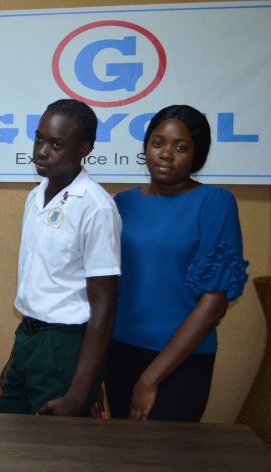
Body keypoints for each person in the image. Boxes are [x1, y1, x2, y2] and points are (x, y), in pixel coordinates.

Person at [105, 104, 248, 421]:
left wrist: (150, 378)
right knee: (118, 455)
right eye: (158, 143)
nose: (166, 154)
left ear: (198, 154)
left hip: (182, 362)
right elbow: (107, 287)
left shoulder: (215, 203)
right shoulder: (123, 203)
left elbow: (214, 304)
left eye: (180, 147)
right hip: (119, 351)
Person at [0, 99, 121, 416]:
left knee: (54, 454)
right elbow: (36, 288)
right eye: (39, 138)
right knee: (7, 444)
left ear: (84, 148)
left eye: (56, 144)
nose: (42, 151)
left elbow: (104, 307)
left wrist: (78, 395)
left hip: (65, 348)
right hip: (28, 338)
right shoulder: (35, 196)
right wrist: (16, 356)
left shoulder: (96, 207)